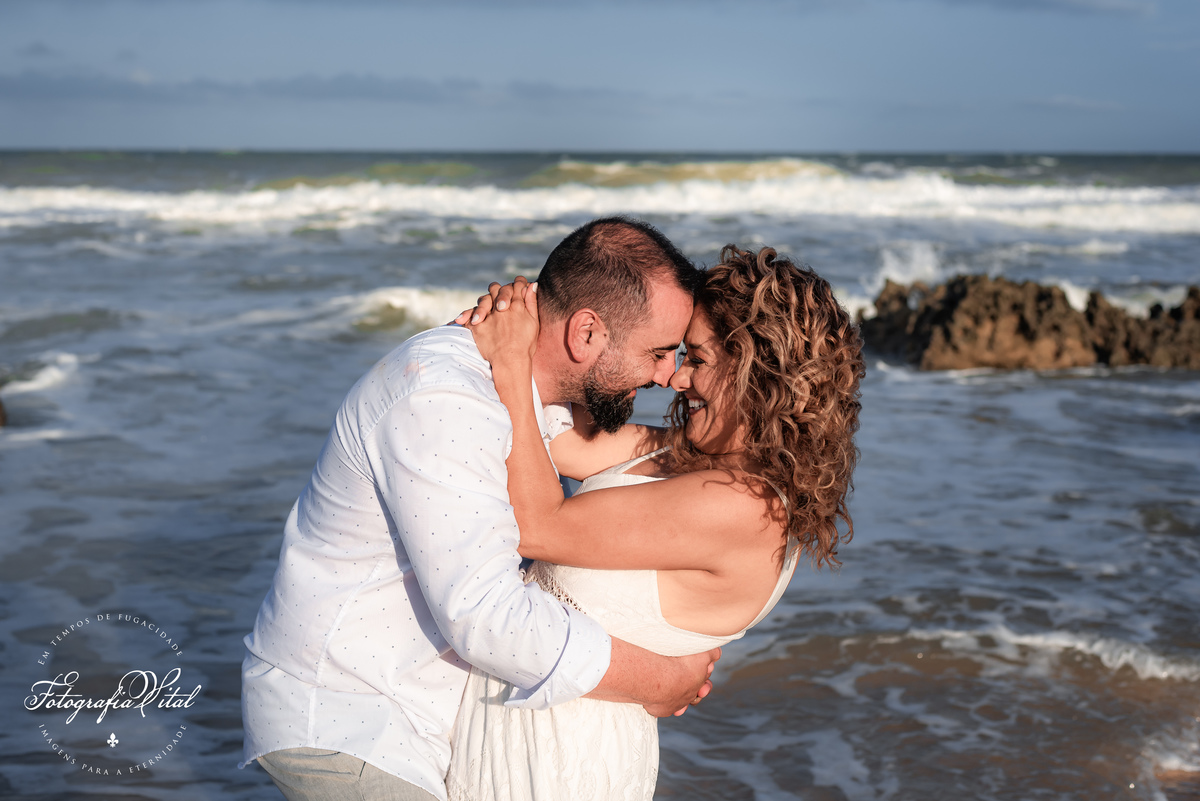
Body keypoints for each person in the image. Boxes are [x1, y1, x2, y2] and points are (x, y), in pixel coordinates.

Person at [240, 217, 722, 801]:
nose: (666, 376)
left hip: (412, 722)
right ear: (587, 333)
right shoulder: (445, 398)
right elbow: (485, 615)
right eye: (658, 352)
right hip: (350, 719)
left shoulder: (524, 394)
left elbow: (576, 452)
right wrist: (660, 677)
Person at [448, 245, 865, 801]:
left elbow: (539, 525)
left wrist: (511, 358)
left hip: (563, 761)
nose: (676, 380)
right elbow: (556, 441)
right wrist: (527, 328)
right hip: (513, 731)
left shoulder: (747, 507)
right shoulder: (690, 458)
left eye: (696, 359)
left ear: (757, 372)